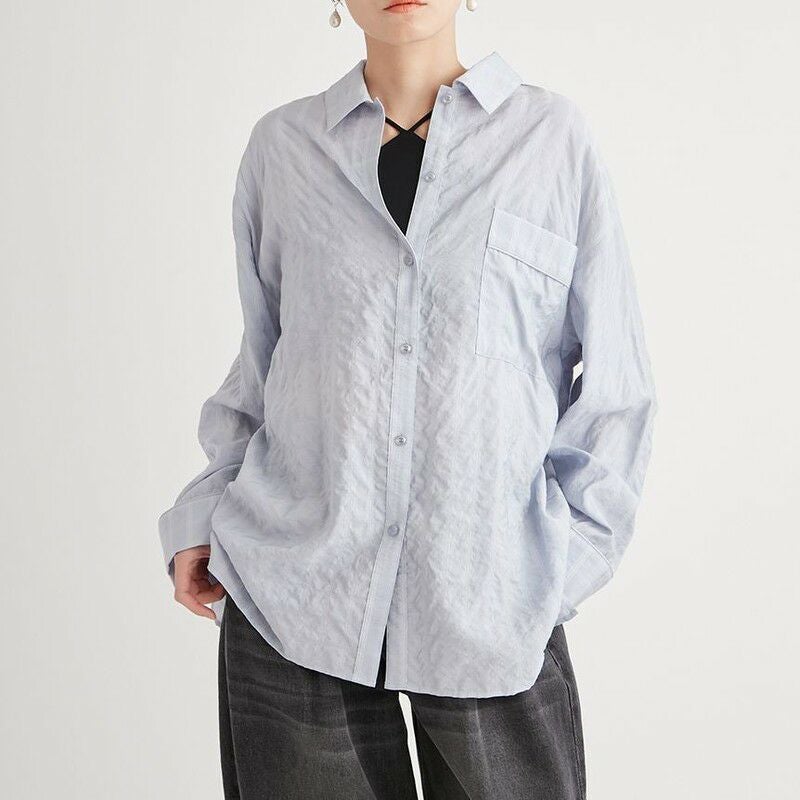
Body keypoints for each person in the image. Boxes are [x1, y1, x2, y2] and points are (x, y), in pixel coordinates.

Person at [158, 1, 657, 797]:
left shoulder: (551, 139)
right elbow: (264, 363)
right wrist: (201, 513)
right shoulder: (283, 148)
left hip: (493, 603)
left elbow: (617, 385)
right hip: (294, 596)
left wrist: (558, 569)